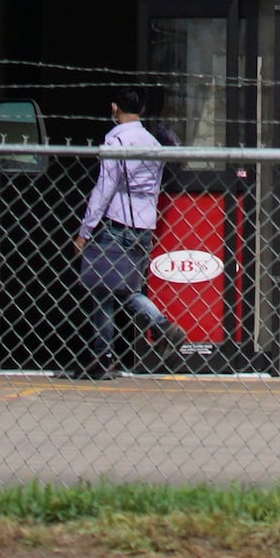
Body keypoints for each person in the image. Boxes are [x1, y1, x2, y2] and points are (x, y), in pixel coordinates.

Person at [75, 95, 183, 379]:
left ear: (114, 107)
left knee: (103, 289)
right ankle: (160, 328)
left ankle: (106, 355)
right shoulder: (153, 143)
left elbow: (104, 188)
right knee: (126, 288)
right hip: (145, 226)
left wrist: (85, 231)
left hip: (118, 224)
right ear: (143, 109)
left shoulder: (116, 141)